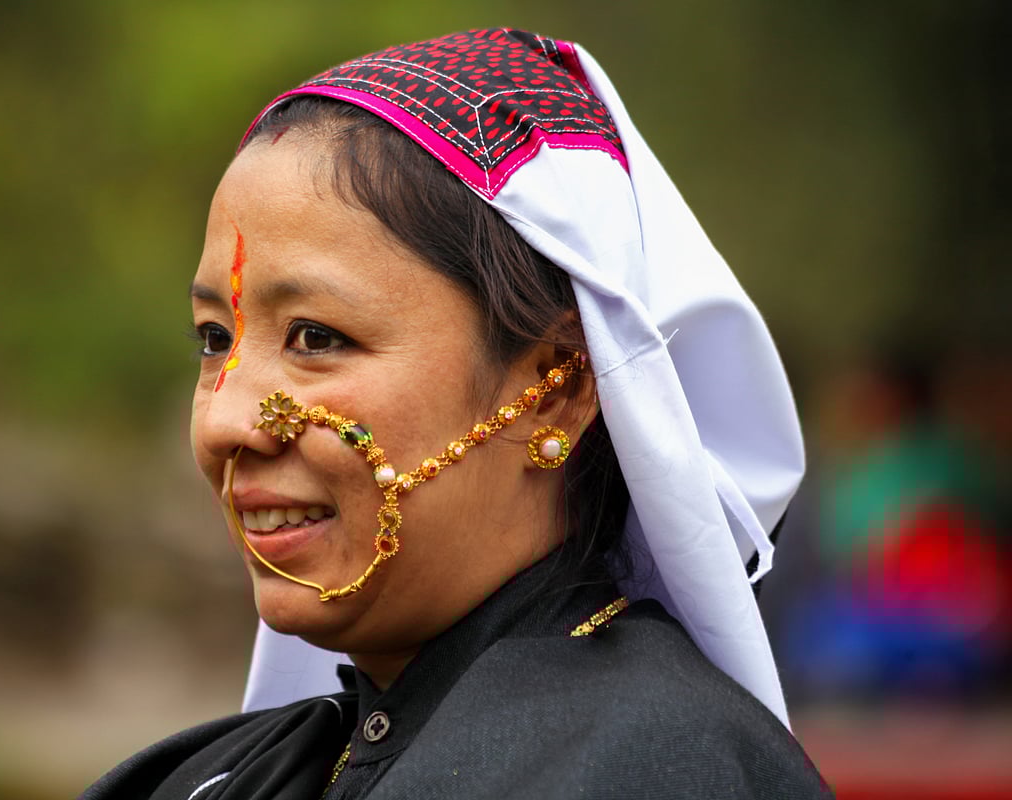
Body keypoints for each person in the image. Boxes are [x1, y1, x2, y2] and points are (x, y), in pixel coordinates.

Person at [82, 28, 832, 799]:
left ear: (559, 385)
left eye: (316, 337)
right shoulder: (216, 778)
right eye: (215, 339)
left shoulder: (654, 767)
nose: (223, 424)